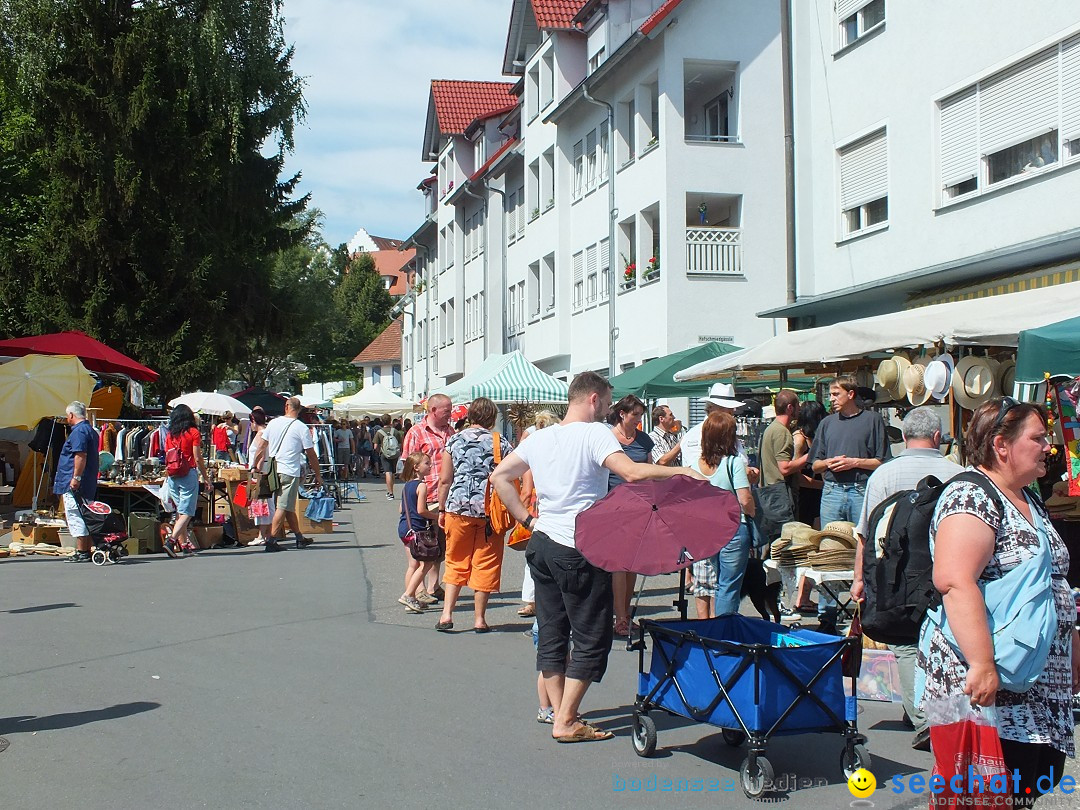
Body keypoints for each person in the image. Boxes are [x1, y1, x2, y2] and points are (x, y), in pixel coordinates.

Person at [490, 371, 704, 744]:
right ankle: (566, 720)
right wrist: (682, 471)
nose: (609, 408)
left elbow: (500, 477)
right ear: (592, 399)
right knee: (592, 636)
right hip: (578, 546)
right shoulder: (594, 433)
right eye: (607, 401)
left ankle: (561, 713)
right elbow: (632, 472)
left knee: (553, 632)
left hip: (542, 543)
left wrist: (526, 518)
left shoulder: (540, 437)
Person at [919, 398, 1079, 806]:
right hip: (989, 685)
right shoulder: (970, 496)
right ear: (1001, 446)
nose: (1050, 447)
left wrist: (1071, 648)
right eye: (1038, 438)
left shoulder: (1026, 497)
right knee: (984, 796)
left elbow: (1047, 582)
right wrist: (982, 664)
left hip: (1030, 683)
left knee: (1024, 789)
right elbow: (955, 580)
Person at [850, 407, 962, 751]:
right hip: (946, 567)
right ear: (937, 436)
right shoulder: (958, 473)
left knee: (905, 643)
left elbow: (865, 536)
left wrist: (858, 580)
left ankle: (923, 716)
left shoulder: (884, 474)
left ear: (904, 436)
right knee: (944, 640)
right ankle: (931, 712)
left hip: (894, 573)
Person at [808, 375, 890, 631]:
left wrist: (854, 462)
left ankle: (865, 608)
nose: (831, 400)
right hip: (832, 489)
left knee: (864, 549)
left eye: (835, 394)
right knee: (828, 552)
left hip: (861, 489)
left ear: (851, 394)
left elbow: (882, 460)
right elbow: (814, 463)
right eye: (831, 395)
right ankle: (827, 614)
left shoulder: (873, 421)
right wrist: (830, 463)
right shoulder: (826, 424)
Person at [434, 397, 513, 632]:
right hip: (490, 511)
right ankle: (479, 619)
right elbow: (508, 477)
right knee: (486, 563)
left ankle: (447, 615)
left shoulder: (455, 440)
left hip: (458, 508)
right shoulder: (501, 443)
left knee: (456, 559)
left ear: (470, 416)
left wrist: (440, 508)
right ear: (492, 418)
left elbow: (445, 479)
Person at [689, 411, 755, 618]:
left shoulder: (694, 465)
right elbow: (745, 499)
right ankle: (724, 632)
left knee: (713, 581)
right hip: (733, 528)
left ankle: (714, 628)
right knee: (728, 585)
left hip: (706, 530)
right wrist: (752, 513)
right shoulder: (733, 463)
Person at [249, 396, 325, 552]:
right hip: (289, 470)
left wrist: (253, 466)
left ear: (286, 407)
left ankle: (299, 537)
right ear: (299, 409)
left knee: (287, 504)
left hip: (273, 470)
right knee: (283, 506)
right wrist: (318, 475)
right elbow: (311, 454)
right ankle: (271, 541)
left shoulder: (273, 423)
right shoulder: (301, 427)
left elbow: (262, 446)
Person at [606, 394, 654, 636]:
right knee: (618, 563)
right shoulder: (607, 438)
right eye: (635, 415)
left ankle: (624, 613)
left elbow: (649, 470)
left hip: (638, 507)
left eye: (640, 415)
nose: (638, 420)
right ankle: (620, 617)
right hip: (612, 507)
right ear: (622, 414)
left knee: (632, 564)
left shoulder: (643, 440)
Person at [401, 393, 455, 602]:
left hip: (446, 494)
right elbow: (407, 466)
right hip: (424, 495)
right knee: (422, 545)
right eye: (446, 410)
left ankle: (434, 585)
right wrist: (409, 497)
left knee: (438, 544)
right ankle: (418, 590)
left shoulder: (450, 431)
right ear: (433, 410)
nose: (450, 414)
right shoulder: (416, 432)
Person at [517, 410, 558, 618]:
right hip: (552, 507)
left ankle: (531, 600)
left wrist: (523, 516)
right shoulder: (556, 449)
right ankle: (537, 601)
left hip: (538, 506)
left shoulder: (533, 447)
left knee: (535, 556)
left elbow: (526, 489)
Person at [682, 383, 759, 484]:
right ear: (712, 409)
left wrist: (748, 472)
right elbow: (696, 471)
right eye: (728, 412)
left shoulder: (728, 432)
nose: (731, 416)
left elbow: (742, 460)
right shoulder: (695, 434)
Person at [757, 390, 807, 540]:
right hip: (781, 497)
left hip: (770, 496)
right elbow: (784, 468)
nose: (799, 410)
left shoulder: (770, 429)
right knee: (785, 542)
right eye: (798, 406)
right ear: (790, 408)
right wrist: (809, 456)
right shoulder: (781, 432)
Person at [162, 404, 210, 558]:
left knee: (181, 511)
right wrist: (206, 476)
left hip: (172, 474)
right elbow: (197, 457)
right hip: (188, 472)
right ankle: (171, 541)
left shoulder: (170, 434)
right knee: (188, 511)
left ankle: (184, 545)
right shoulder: (193, 432)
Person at [56, 401, 100, 564]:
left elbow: (80, 455)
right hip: (87, 480)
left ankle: (82, 551)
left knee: (76, 514)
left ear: (71, 415)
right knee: (84, 513)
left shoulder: (79, 432)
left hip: (76, 480)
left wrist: (76, 477)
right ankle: (85, 550)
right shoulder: (91, 430)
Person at [398, 452, 440, 614]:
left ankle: (412, 597)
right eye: (427, 464)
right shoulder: (421, 486)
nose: (430, 466)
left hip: (405, 527)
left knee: (413, 565)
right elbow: (422, 510)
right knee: (427, 563)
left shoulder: (407, 486)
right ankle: (408, 594)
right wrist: (437, 516)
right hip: (417, 528)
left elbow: (401, 509)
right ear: (416, 467)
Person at [245, 407, 276, 546]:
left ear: (253, 420)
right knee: (265, 503)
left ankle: (261, 535)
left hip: (260, 470)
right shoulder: (266, 432)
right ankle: (265, 534)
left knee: (262, 503)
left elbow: (261, 452)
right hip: (265, 469)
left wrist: (254, 469)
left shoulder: (260, 434)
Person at [374, 413, 403, 500]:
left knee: (388, 472)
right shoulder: (395, 431)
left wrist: (379, 452)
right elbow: (400, 443)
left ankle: (390, 493)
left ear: (382, 422)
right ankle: (391, 489)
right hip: (395, 454)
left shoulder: (379, 432)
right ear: (390, 421)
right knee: (393, 472)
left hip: (385, 454)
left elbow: (375, 446)